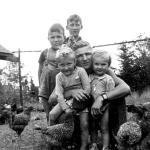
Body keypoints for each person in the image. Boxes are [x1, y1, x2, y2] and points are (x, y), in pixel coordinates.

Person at [64, 40, 130, 150]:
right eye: (80, 55)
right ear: (74, 58)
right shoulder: (70, 70)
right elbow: (53, 98)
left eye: (87, 54)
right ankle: (73, 140)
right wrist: (71, 92)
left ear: (92, 53)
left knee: (119, 99)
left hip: (102, 107)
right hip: (82, 108)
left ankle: (120, 137)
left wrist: (102, 97)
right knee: (66, 110)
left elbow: (125, 88)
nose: (85, 58)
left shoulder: (102, 69)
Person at [49, 45, 91, 129]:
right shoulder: (59, 77)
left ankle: (84, 140)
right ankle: (51, 133)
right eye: (62, 65)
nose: (66, 68)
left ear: (74, 62)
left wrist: (80, 98)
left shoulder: (80, 71)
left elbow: (87, 88)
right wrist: (65, 108)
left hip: (80, 99)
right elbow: (59, 94)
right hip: (65, 101)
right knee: (52, 114)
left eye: (69, 64)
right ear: (58, 65)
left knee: (83, 123)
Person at [38, 23, 65, 124]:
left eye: (59, 36)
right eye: (52, 37)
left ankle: (60, 131)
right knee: (48, 111)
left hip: (59, 85)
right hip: (46, 83)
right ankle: (50, 132)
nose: (56, 39)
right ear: (48, 38)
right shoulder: (45, 52)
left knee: (59, 111)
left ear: (64, 37)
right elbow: (40, 69)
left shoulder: (66, 51)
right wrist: (40, 86)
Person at [90, 50, 115, 150]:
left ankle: (105, 146)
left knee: (104, 128)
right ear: (92, 64)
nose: (99, 67)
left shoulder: (108, 79)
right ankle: (94, 144)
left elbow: (110, 95)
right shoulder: (90, 77)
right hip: (92, 106)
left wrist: (104, 107)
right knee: (93, 127)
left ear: (108, 65)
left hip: (104, 108)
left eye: (103, 64)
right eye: (96, 64)